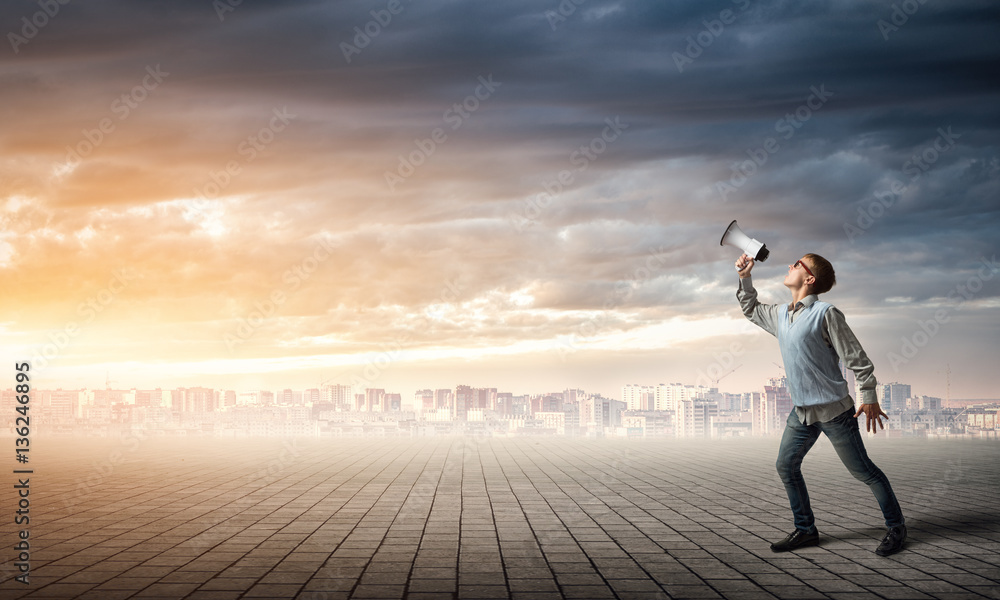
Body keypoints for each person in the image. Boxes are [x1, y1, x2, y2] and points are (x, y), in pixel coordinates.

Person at [735, 252, 906, 556]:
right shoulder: (781, 315)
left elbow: (859, 361)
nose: (790, 265)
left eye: (797, 264)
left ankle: (897, 527)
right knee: (786, 466)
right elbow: (750, 308)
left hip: (835, 413)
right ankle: (806, 530)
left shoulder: (826, 313)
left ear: (809, 279)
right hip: (801, 413)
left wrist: (868, 397)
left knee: (864, 471)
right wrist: (745, 277)